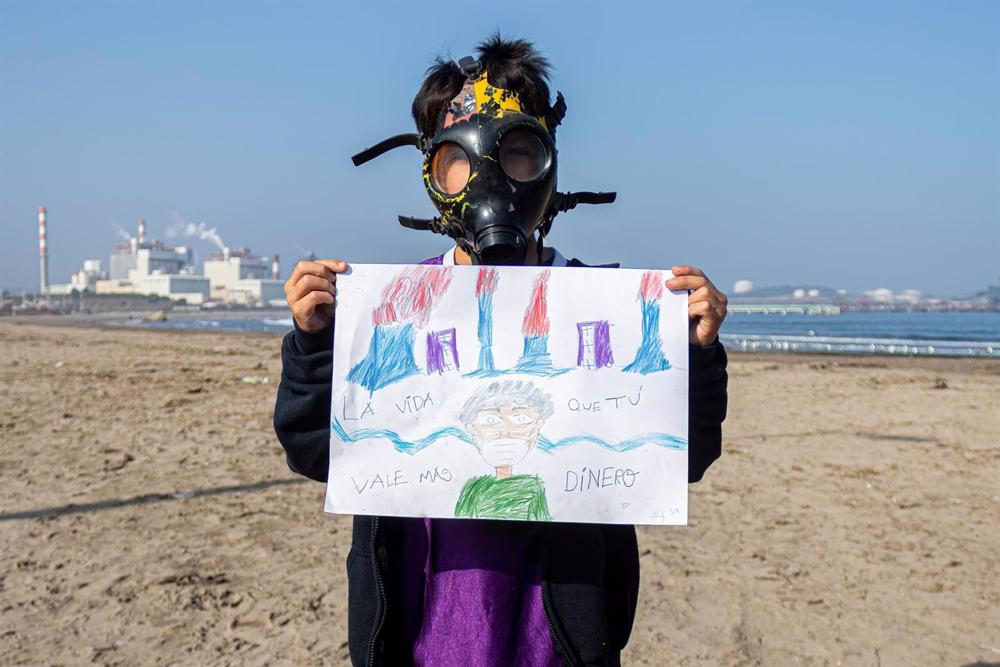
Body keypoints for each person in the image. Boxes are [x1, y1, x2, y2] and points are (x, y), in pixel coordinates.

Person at [274, 34, 729, 667]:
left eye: (518, 153)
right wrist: (316, 346)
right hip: (418, 635)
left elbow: (682, 459)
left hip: (556, 642)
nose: (491, 177)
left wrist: (698, 355)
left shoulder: (611, 312)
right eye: (461, 158)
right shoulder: (392, 315)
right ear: (433, 171)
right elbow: (316, 452)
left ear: (549, 162)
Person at [454, 380, 554, 521]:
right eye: (490, 420)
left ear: (537, 426)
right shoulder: (473, 490)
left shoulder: (534, 489)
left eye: (521, 419)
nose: (505, 432)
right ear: (472, 428)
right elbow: (462, 522)